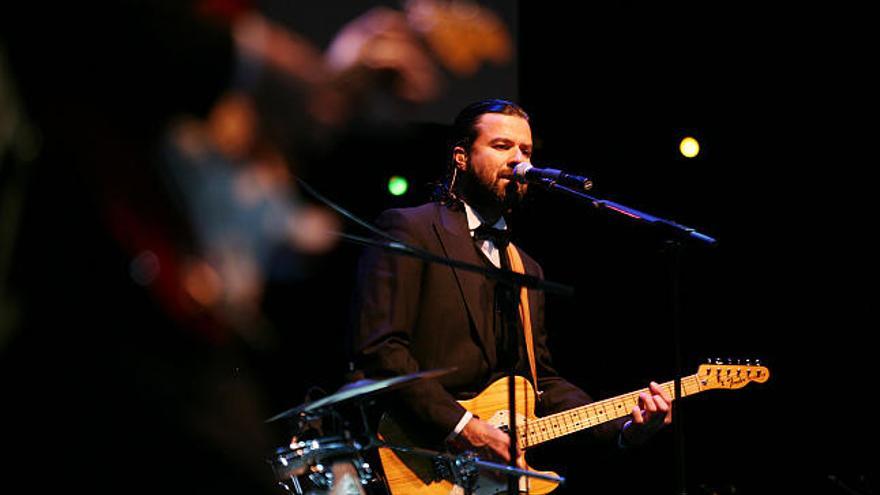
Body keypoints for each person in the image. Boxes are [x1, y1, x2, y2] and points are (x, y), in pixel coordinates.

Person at [351, 99, 673, 470]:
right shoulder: (411, 229)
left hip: (494, 475)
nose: (519, 161)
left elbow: (543, 385)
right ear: (461, 156)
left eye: (526, 150)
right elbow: (381, 350)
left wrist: (624, 425)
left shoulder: (527, 267)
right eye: (502, 146)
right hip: (419, 455)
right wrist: (464, 427)